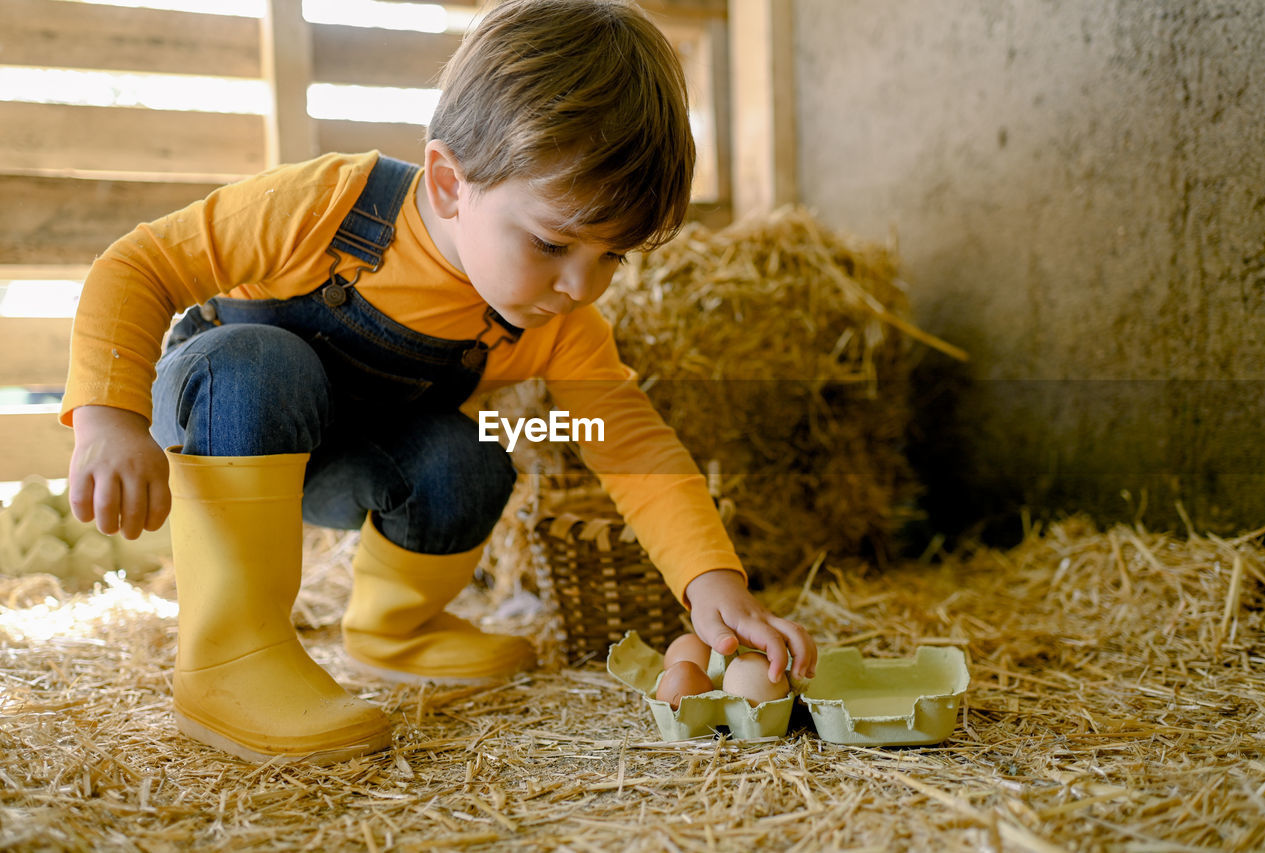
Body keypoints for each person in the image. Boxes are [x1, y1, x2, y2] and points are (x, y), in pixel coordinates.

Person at [62, 0, 817, 764]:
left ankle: (397, 628)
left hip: (347, 458)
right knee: (263, 361)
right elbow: (139, 263)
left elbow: (621, 437)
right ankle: (229, 659)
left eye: (612, 258)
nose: (579, 286)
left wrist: (712, 583)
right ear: (450, 182)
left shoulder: (555, 319)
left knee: (476, 449)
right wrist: (107, 417)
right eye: (553, 243)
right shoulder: (330, 206)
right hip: (226, 419)